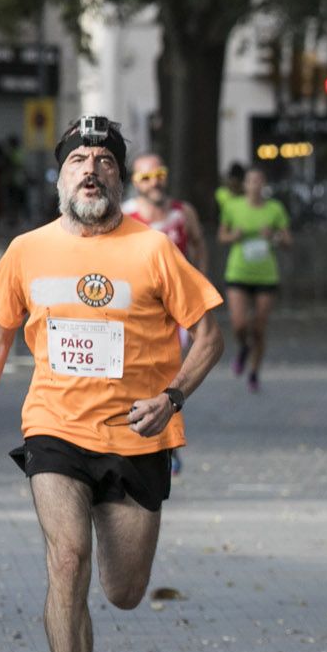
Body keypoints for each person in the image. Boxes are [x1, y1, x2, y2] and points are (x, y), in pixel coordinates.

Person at [0, 116, 222, 652]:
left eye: (104, 160)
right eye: (79, 160)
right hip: (54, 428)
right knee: (66, 557)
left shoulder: (153, 250)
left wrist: (173, 398)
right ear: (60, 176)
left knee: (124, 590)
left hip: (137, 434)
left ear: (120, 179)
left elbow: (211, 331)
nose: (91, 170)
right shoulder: (26, 251)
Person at [124, 151, 208, 476]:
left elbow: (199, 245)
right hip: (137, 313)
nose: (154, 182)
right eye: (145, 177)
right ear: (134, 182)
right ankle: (145, 438)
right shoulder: (124, 216)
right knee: (142, 377)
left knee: (168, 377)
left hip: (176, 312)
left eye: (158, 173)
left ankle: (169, 446)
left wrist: (199, 286)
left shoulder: (183, 213)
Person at [217, 166, 291, 391]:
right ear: (245, 185)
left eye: (259, 180)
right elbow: (222, 236)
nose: (255, 185)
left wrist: (275, 236)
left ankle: (254, 372)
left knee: (259, 328)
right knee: (239, 324)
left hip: (265, 275)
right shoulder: (233, 206)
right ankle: (243, 348)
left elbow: (288, 241)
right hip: (238, 271)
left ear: (264, 184)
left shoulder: (275, 209)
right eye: (251, 181)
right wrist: (234, 236)